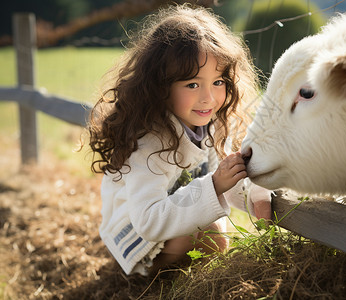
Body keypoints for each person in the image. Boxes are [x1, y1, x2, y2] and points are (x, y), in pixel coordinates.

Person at [87, 4, 272, 275]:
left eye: (219, 82)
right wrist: (214, 184)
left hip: (172, 217)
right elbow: (148, 221)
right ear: (161, 86)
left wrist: (258, 197)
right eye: (193, 84)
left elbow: (228, 179)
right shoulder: (150, 143)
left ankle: (193, 271)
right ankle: (156, 275)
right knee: (212, 231)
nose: (208, 98)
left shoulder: (210, 123)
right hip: (140, 237)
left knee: (215, 231)